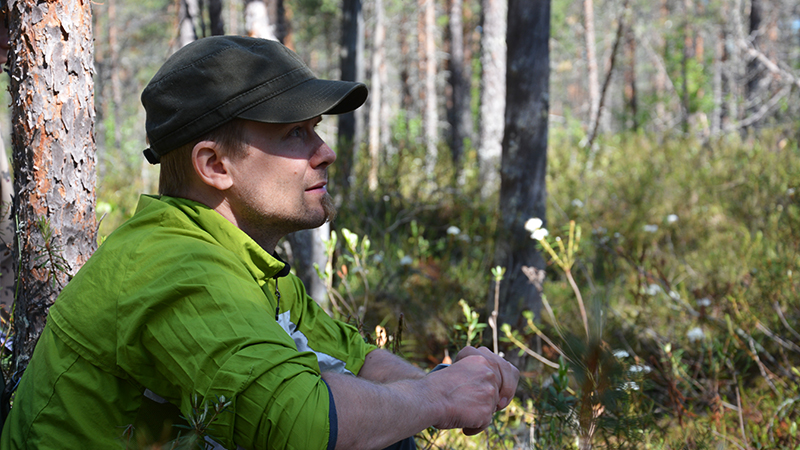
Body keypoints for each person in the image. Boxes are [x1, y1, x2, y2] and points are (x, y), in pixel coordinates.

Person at [0, 36, 519, 450]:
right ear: (214, 166)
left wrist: (444, 384)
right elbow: (299, 428)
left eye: (315, 129)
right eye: (295, 133)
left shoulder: (241, 259)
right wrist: (436, 397)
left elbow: (356, 360)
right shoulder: (173, 266)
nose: (325, 153)